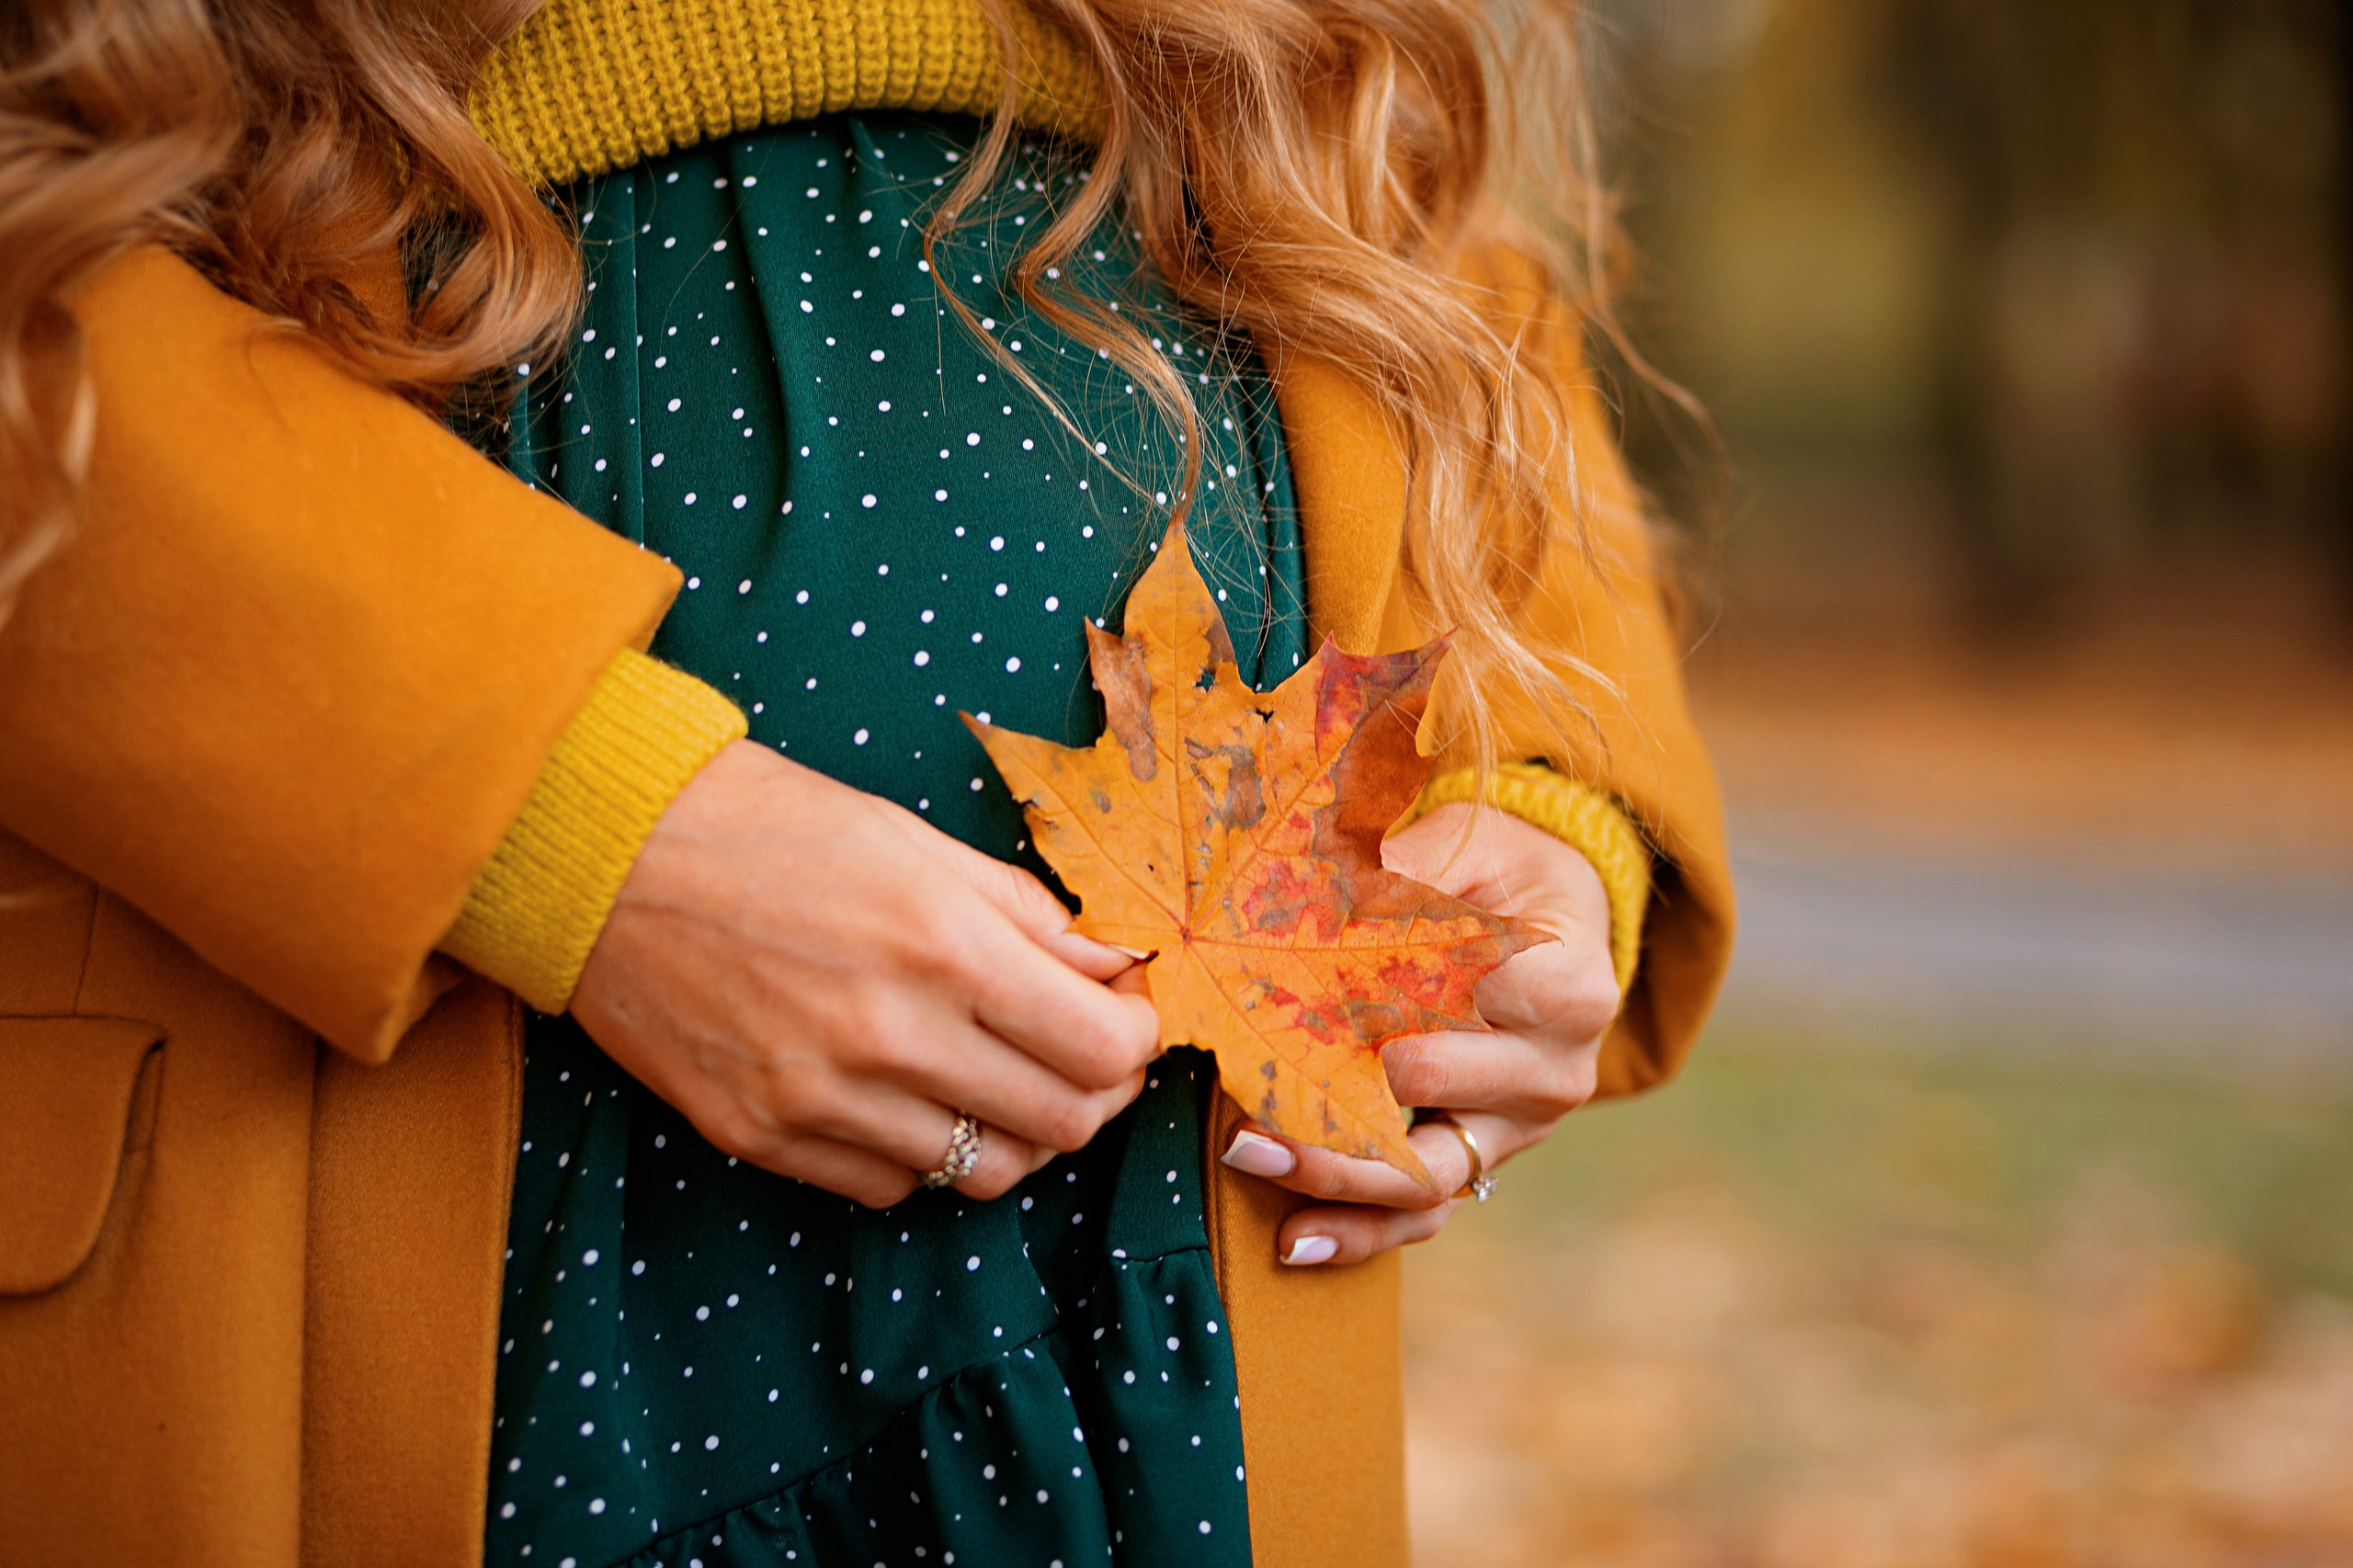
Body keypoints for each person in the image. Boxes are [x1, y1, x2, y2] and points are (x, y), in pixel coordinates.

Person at [0, 2, 1733, 1565]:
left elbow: (1470, 302)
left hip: (1152, 1326)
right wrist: (568, 814)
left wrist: (1554, 814)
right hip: (460, 1263)